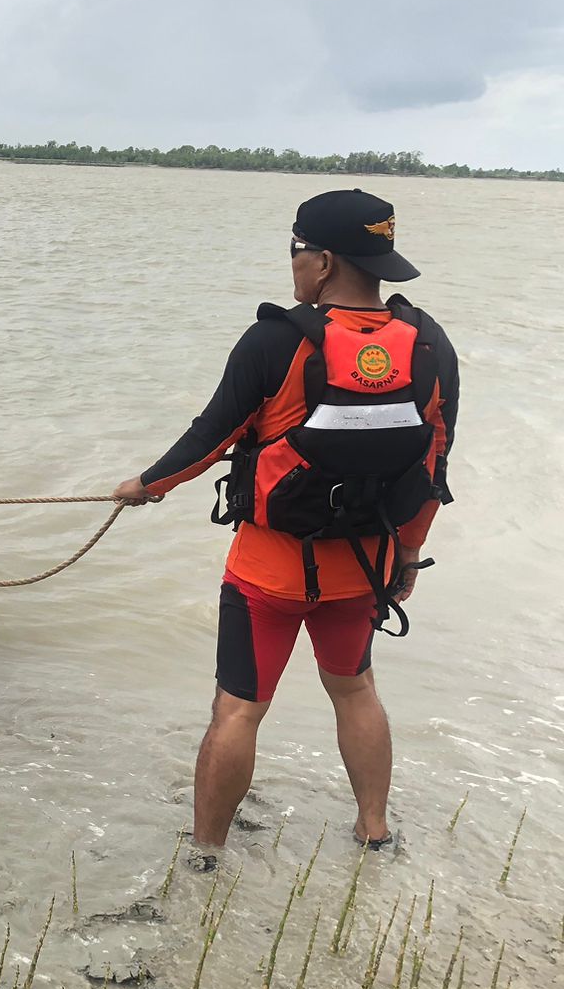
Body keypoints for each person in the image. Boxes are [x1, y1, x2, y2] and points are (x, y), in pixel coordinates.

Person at [112, 189, 458, 852]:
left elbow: (209, 438)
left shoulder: (277, 341)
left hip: (267, 575)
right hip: (365, 567)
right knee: (355, 690)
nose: (293, 266)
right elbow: (435, 462)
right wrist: (408, 556)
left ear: (323, 261)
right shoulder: (428, 343)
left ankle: (206, 853)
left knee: (239, 708)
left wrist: (144, 486)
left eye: (295, 253)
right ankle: (373, 832)